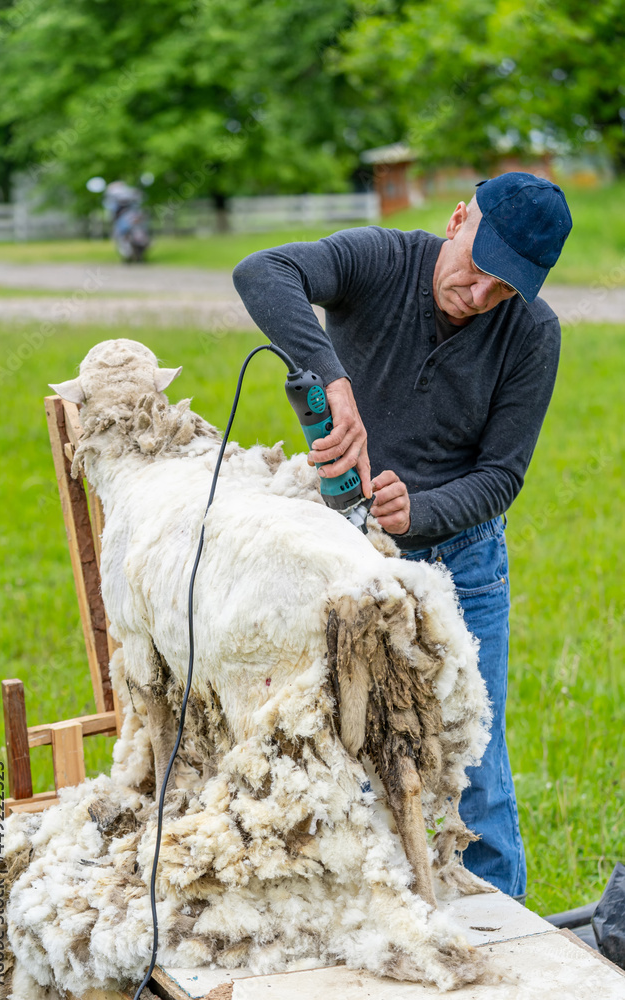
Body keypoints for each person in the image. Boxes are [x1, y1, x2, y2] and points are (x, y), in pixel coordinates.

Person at [232, 171, 573, 898]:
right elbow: (263, 270)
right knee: (350, 746)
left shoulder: (533, 334)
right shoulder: (383, 261)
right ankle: (379, 916)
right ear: (458, 220)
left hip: (464, 564)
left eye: (504, 289)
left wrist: (419, 513)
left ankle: (506, 936)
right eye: (479, 270)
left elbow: (502, 475)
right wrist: (329, 375)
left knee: (473, 763)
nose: (479, 297)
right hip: (349, 555)